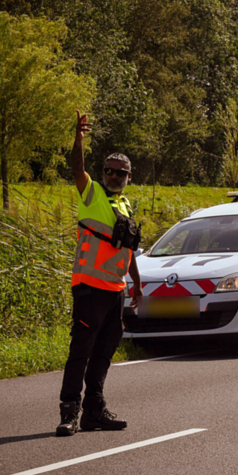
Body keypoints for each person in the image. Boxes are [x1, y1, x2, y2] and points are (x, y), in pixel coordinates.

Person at [57, 111, 143, 437]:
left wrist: (135, 284)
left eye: (120, 172)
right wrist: (78, 138)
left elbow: (127, 248)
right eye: (109, 170)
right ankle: (69, 413)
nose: (114, 175)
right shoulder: (91, 193)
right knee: (81, 350)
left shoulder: (125, 206)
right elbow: (77, 168)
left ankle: (94, 410)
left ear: (129, 176)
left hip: (115, 289)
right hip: (90, 287)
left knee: (105, 352)